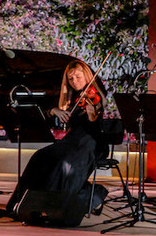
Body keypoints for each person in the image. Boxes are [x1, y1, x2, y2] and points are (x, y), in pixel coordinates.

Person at [7, 59, 110, 216]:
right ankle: (20, 204)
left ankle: (52, 206)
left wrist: (92, 115)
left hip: (92, 142)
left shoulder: (97, 94)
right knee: (40, 157)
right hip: (72, 140)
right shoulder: (71, 98)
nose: (75, 81)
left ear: (87, 77)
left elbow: (97, 127)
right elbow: (48, 111)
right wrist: (55, 110)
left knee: (63, 163)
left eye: (78, 77)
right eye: (71, 79)